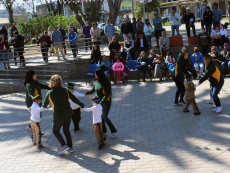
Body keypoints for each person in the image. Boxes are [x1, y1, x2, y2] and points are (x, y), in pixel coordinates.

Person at [43, 75, 85, 155]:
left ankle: (64, 145)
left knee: (55, 130)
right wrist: (82, 105)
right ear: (60, 81)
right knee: (66, 131)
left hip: (58, 115)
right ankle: (70, 147)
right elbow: (74, 99)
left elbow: (44, 105)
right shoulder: (65, 90)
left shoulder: (49, 93)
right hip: (68, 114)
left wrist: (46, 106)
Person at [85, 69, 117, 138]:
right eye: (95, 74)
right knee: (100, 117)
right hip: (99, 103)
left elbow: (107, 94)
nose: (95, 75)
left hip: (105, 102)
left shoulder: (104, 83)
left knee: (104, 117)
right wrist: (86, 93)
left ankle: (113, 131)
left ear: (100, 75)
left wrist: (101, 103)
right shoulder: (97, 81)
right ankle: (104, 131)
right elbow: (94, 89)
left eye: (96, 74)